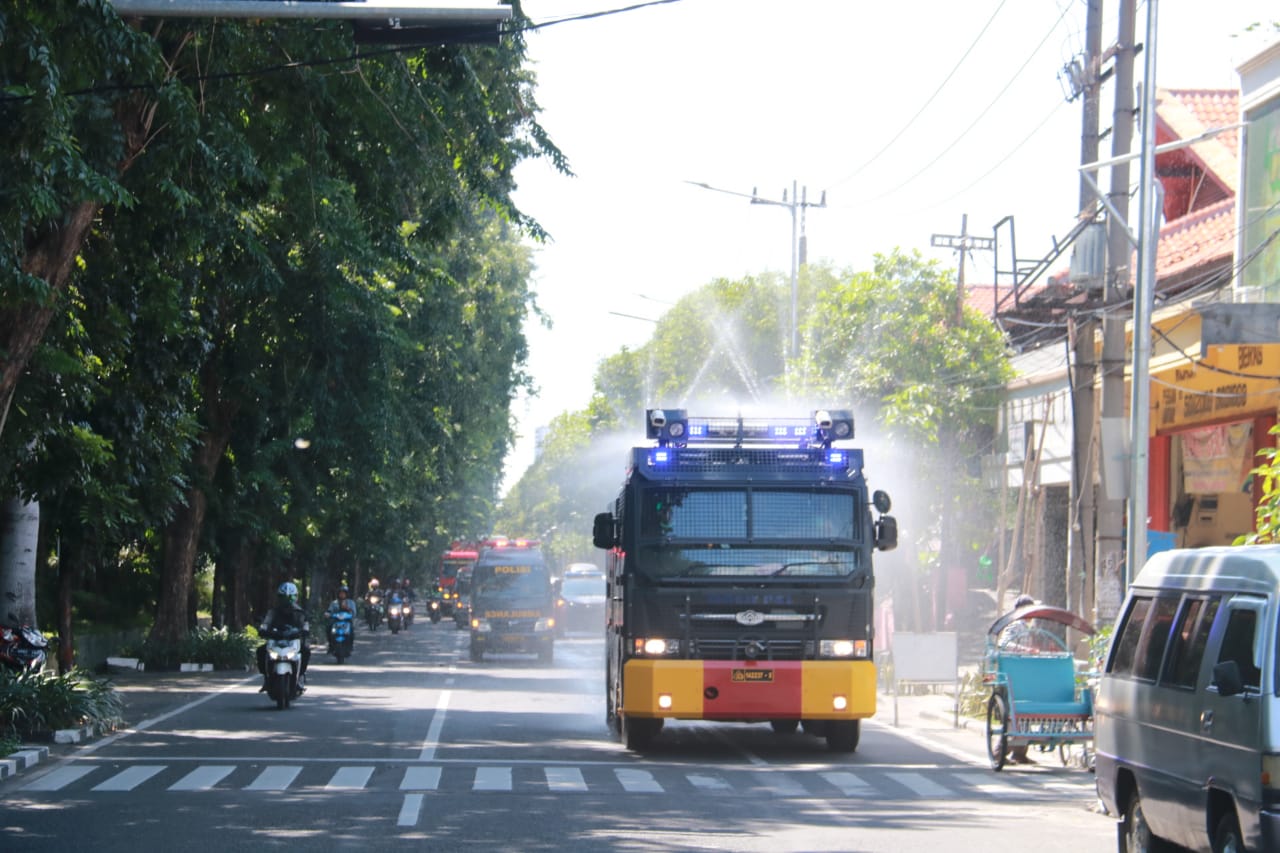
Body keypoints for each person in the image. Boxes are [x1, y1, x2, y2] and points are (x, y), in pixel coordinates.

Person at [258, 581, 311, 692]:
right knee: (261, 651)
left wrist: (304, 631)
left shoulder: (299, 612)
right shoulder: (273, 612)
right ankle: (266, 678)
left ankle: (300, 676)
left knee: (305, 651)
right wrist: (263, 629)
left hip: (292, 640)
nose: (287, 601)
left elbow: (305, 625)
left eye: (290, 597)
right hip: (276, 640)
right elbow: (266, 623)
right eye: (284, 597)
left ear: (295, 597)